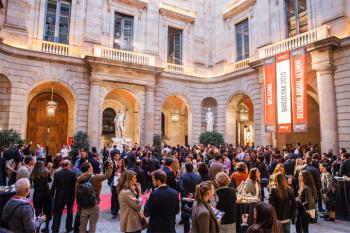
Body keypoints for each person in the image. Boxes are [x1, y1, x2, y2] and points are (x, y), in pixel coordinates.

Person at [75, 160, 112, 233]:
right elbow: (107, 175)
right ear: (89, 169)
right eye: (91, 166)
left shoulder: (78, 180)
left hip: (83, 206)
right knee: (92, 225)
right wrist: (110, 165)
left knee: (82, 226)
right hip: (94, 204)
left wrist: (79, 208)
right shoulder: (96, 177)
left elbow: (77, 195)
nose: (92, 167)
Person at [51, 159, 77, 233]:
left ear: (61, 165)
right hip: (70, 196)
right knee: (69, 212)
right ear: (68, 165)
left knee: (57, 214)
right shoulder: (73, 173)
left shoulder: (57, 174)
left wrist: (52, 197)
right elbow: (75, 186)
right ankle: (68, 228)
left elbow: (53, 186)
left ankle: (55, 230)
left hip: (59, 196)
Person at [179, 163, 202, 233]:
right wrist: (195, 195)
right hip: (195, 197)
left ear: (186, 168)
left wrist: (185, 195)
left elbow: (181, 187)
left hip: (186, 198)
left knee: (185, 215)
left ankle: (187, 230)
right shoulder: (198, 177)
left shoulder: (183, 176)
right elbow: (200, 187)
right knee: (195, 214)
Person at [30, 161, 52, 232]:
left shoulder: (33, 173)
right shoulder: (46, 172)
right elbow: (50, 180)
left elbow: (31, 185)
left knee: (38, 211)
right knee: (47, 210)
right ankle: (47, 228)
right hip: (46, 193)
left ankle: (37, 229)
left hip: (37, 194)